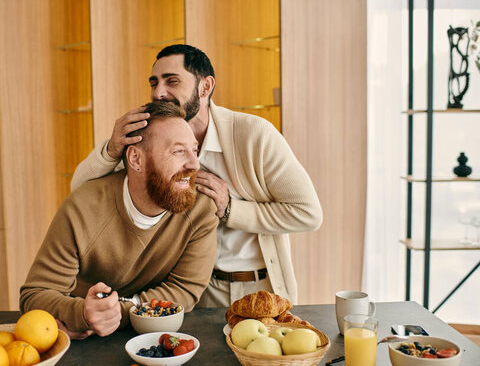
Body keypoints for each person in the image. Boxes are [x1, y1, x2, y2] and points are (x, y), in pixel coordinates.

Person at [71, 44, 322, 307]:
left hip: (261, 289)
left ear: (205, 86)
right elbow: (81, 190)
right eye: (154, 83)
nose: (159, 93)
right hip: (191, 292)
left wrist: (230, 210)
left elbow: (308, 213)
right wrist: (111, 150)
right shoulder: (147, 136)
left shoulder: (254, 135)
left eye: (172, 81)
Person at [20, 101, 218, 338]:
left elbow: (184, 289)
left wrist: (121, 312)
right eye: (178, 151)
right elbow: (35, 294)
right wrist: (82, 312)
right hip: (84, 337)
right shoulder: (83, 207)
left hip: (154, 336)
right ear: (136, 159)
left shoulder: (201, 210)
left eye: (194, 151)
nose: (194, 164)